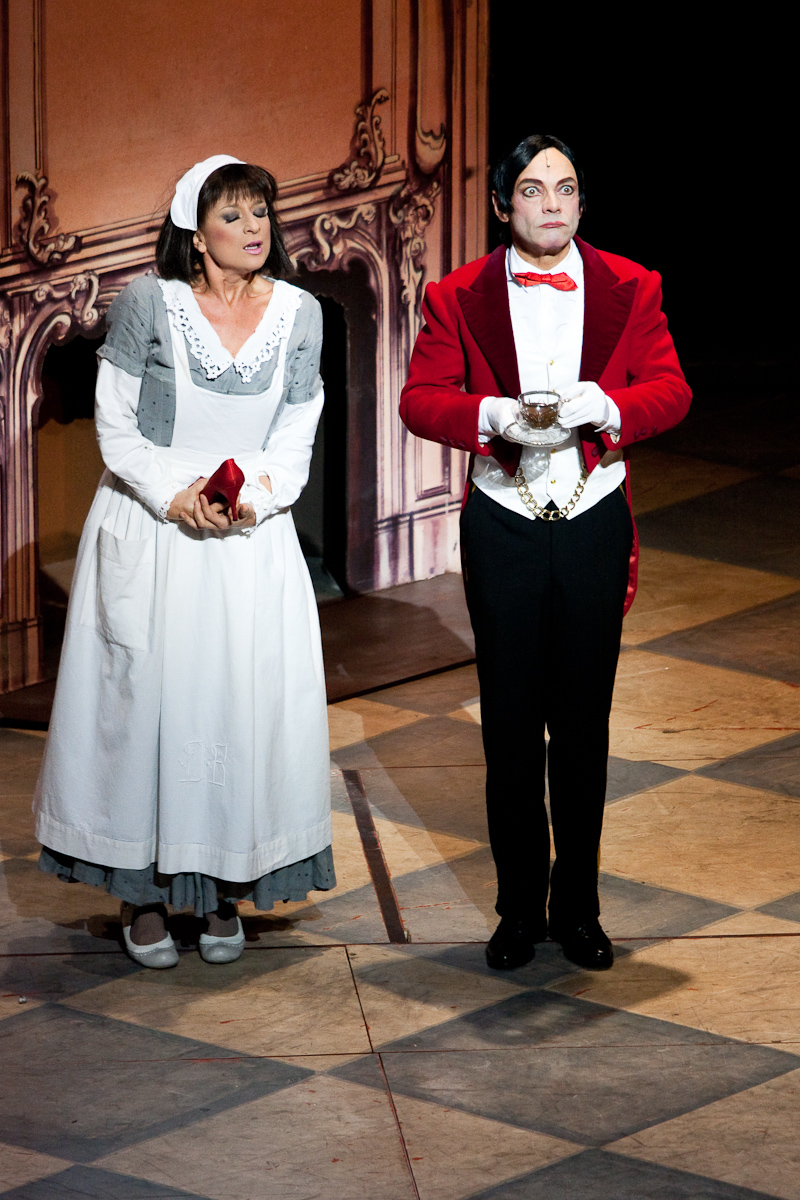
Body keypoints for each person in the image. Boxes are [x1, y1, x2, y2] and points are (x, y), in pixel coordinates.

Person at [34, 154, 334, 967]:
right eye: (232, 215)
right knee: (147, 716)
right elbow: (116, 427)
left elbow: (295, 438)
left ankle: (224, 889)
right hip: (156, 531)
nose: (252, 228)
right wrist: (178, 495)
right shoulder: (150, 303)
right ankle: (142, 897)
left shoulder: (300, 314)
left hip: (247, 539)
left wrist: (252, 496)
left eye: (260, 212)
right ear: (196, 235)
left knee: (239, 711)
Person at [400, 135, 691, 972]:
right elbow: (420, 400)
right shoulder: (458, 294)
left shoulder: (632, 285)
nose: (551, 204)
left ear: (581, 202)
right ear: (503, 205)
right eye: (532, 190)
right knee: (511, 728)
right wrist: (489, 415)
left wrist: (609, 406)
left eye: (565, 189)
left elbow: (673, 391)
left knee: (584, 727)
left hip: (594, 518)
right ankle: (520, 909)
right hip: (505, 523)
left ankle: (580, 909)